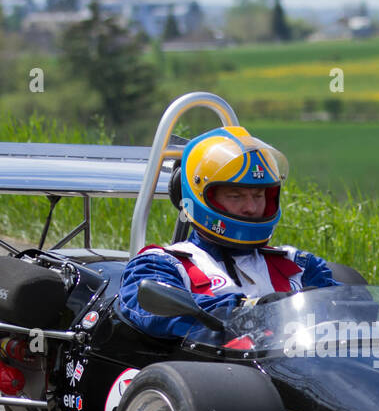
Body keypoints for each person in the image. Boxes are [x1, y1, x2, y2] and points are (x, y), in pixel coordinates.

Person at [119, 126, 338, 338]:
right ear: (202, 197)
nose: (251, 208)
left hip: (299, 371)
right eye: (236, 196)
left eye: (259, 195)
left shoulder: (298, 265)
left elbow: (352, 311)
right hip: (212, 372)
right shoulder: (161, 264)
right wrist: (251, 310)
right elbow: (152, 312)